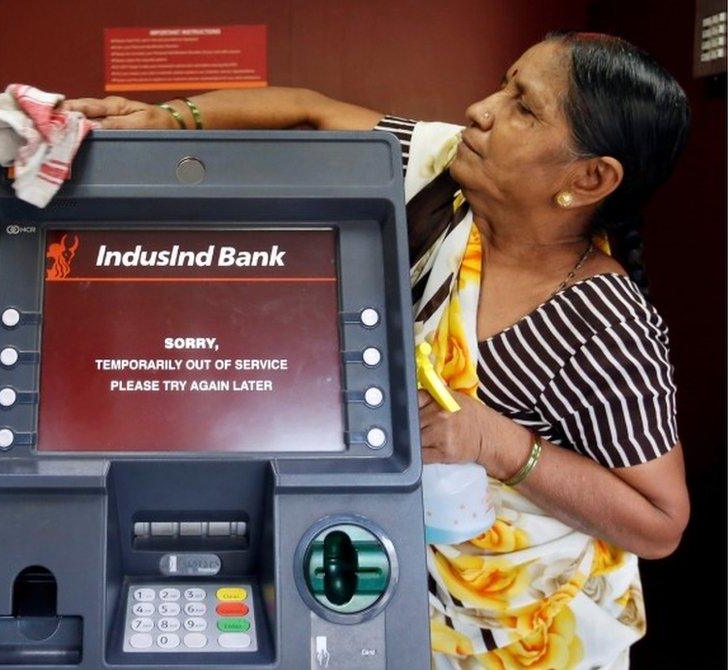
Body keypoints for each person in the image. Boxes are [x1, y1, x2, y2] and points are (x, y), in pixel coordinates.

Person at [64, 31, 690, 670]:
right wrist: (167, 119)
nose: (482, 108)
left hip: (526, 635)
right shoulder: (447, 172)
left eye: (523, 108)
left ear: (590, 178)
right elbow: (309, 112)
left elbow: (661, 522)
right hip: (389, 585)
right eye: (506, 84)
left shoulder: (604, 323)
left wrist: (496, 444)